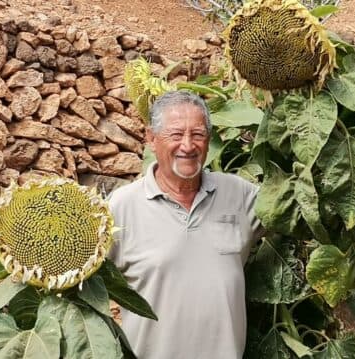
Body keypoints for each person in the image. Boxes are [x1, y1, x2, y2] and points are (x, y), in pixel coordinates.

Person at [107, 90, 261, 358]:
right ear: (151, 139)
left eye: (198, 134)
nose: (188, 146)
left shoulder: (241, 195)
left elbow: (295, 211)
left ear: (209, 140)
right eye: (176, 135)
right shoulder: (122, 207)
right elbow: (85, 284)